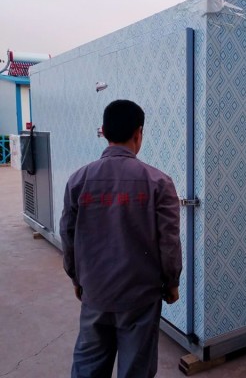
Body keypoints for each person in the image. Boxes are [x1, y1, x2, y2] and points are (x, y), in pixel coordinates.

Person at [60, 99, 182, 378]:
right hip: (141, 296)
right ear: (139, 133)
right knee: (136, 369)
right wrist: (172, 282)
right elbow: (169, 242)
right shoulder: (159, 182)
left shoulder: (78, 180)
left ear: (103, 132)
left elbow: (67, 235)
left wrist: (76, 278)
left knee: (88, 366)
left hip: (95, 292)